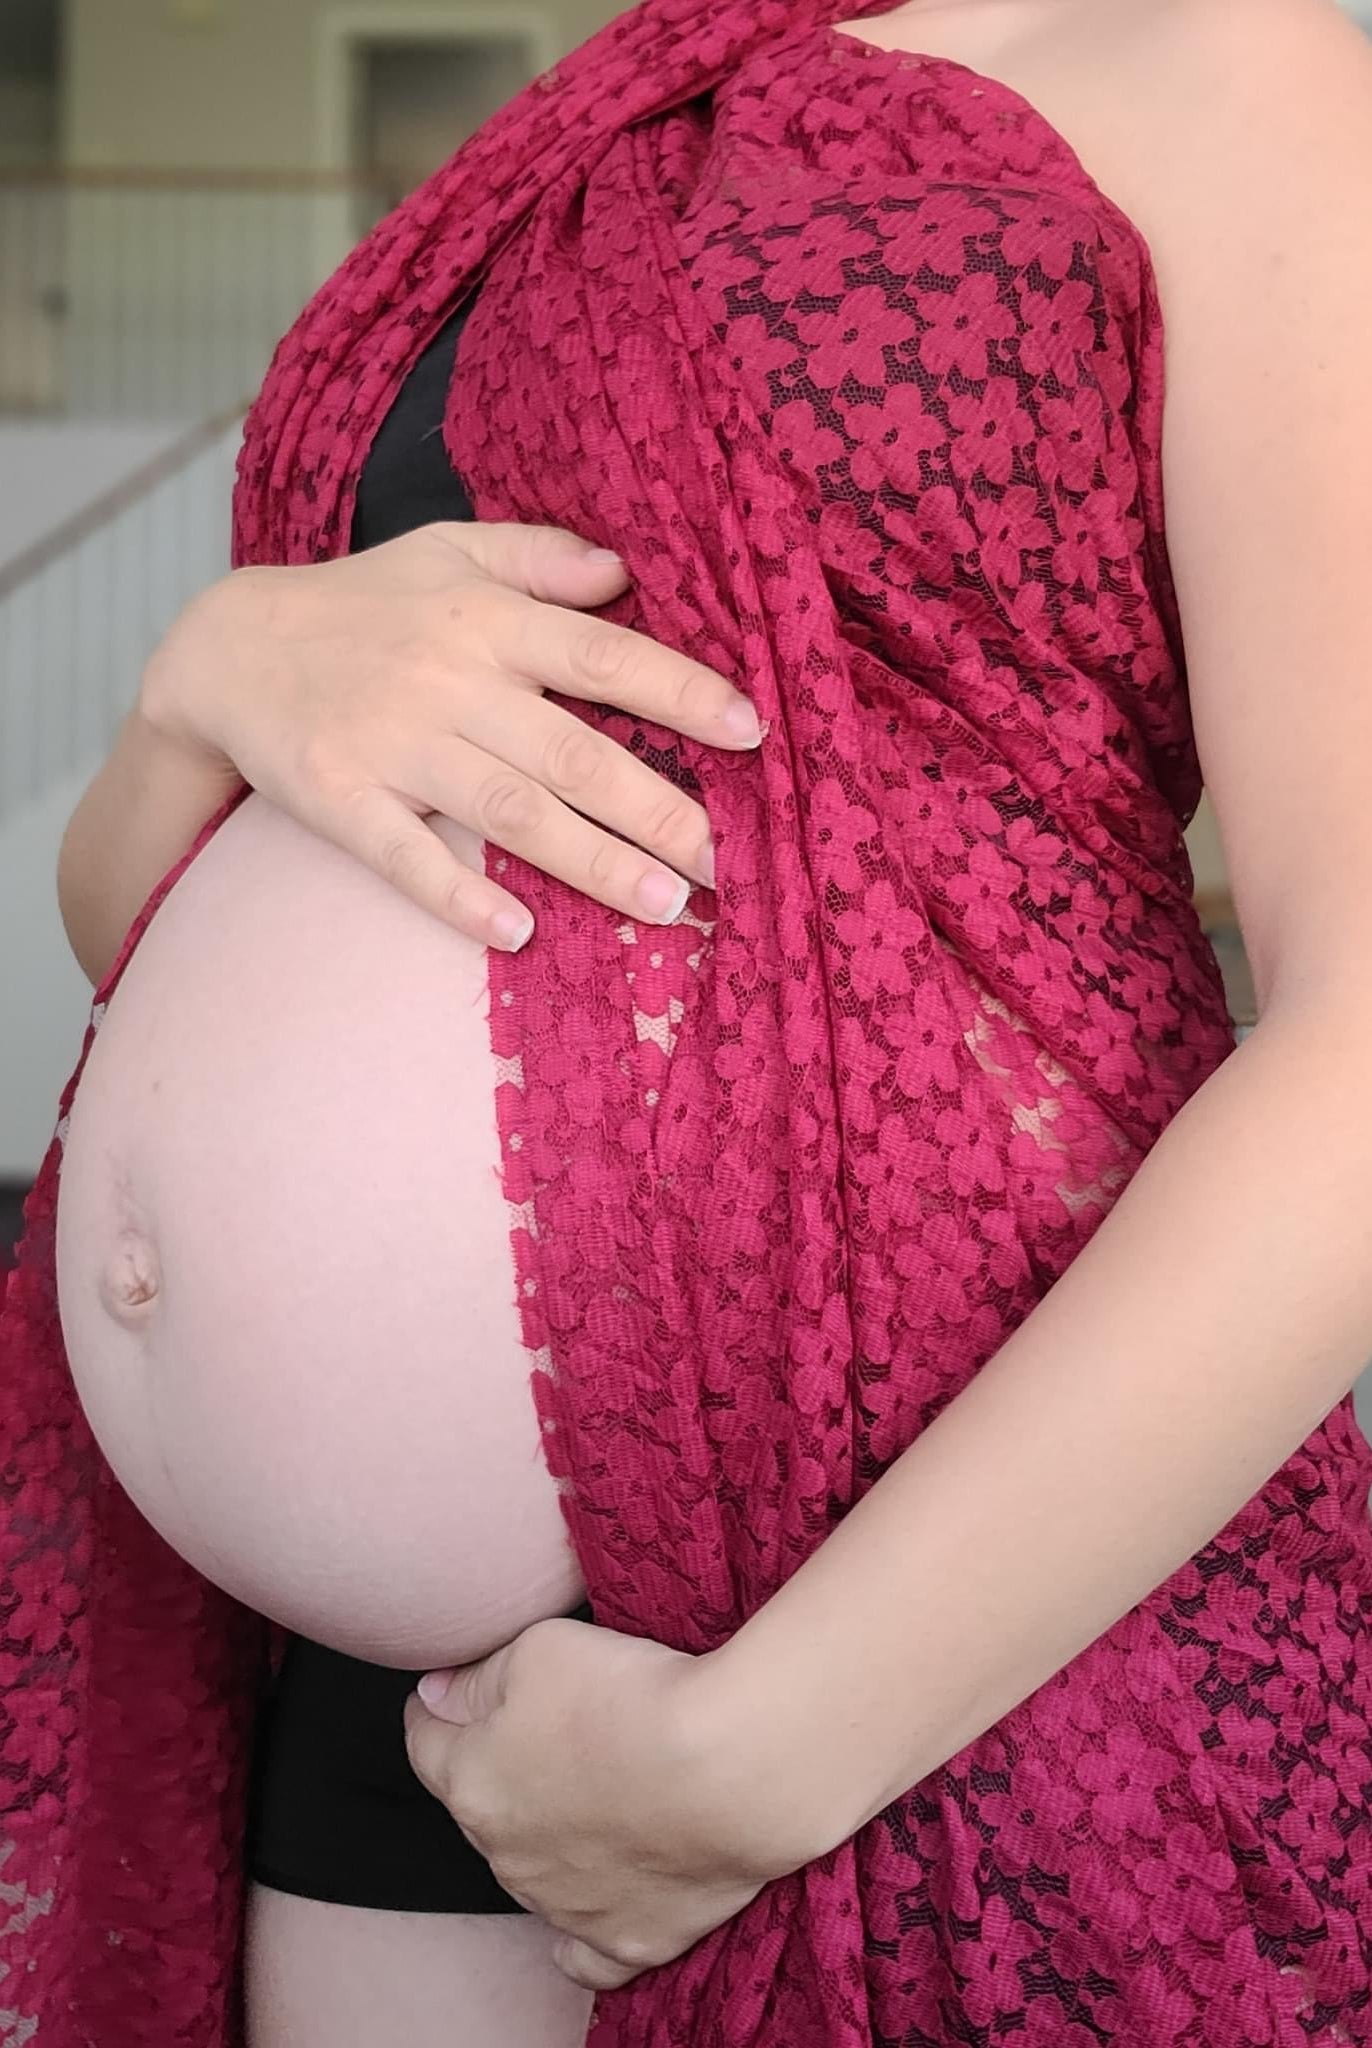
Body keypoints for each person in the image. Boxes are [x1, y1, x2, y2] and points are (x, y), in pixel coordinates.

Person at [4, 0, 1372, 2043]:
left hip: (893, 1611)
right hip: (377, 1684)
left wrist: (760, 1751)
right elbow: (151, 932)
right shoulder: (588, 122)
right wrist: (208, 675)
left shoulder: (1218, 55)